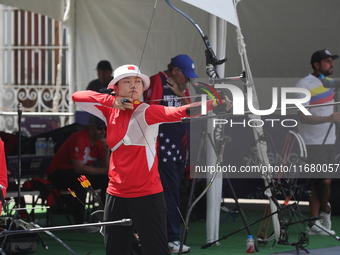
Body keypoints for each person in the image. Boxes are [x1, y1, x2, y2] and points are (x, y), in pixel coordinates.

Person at [72, 64, 223, 255]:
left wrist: (212, 103)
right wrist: (112, 102)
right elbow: (78, 97)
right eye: (127, 81)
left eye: (138, 81)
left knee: (155, 250)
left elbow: (179, 112)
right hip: (116, 194)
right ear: (116, 87)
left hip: (147, 194)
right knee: (115, 250)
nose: (133, 85)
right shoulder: (108, 110)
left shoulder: (148, 112)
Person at [143, 54, 197, 253]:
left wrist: (179, 92)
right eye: (186, 75)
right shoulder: (156, 81)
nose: (188, 80)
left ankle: (170, 236)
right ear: (175, 71)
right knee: (168, 194)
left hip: (179, 149)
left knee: (173, 192)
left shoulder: (182, 87)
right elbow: (150, 112)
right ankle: (170, 238)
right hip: (162, 149)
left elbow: (192, 110)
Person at [295, 49, 340, 235]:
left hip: (330, 139)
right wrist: (328, 119)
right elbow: (302, 116)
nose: (332, 64)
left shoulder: (330, 83)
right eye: (328, 61)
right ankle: (325, 211)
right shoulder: (303, 85)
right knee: (325, 181)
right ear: (316, 65)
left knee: (317, 182)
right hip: (312, 141)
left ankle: (313, 223)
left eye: (332, 61)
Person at [47, 115, 109, 231]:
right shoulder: (79, 137)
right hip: (59, 173)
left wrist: (106, 150)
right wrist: (105, 171)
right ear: (90, 128)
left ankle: (107, 218)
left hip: (80, 173)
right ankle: (80, 222)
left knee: (108, 180)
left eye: (105, 128)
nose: (103, 132)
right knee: (82, 181)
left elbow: (104, 166)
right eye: (100, 128)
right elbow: (78, 168)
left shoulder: (100, 142)